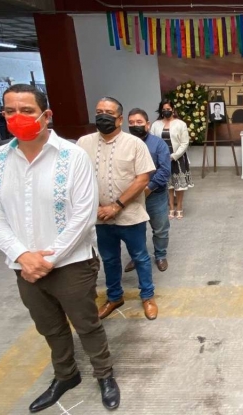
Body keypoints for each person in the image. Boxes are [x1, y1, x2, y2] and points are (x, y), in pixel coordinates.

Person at [0, 84, 120, 412]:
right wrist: (22, 256)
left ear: (46, 115)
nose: (18, 117)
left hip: (72, 264)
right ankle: (66, 375)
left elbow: (83, 215)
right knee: (50, 327)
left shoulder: (72, 157)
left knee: (87, 324)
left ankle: (104, 374)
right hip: (24, 268)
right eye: (10, 111)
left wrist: (50, 257)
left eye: (27, 111)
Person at [77, 97, 158, 321]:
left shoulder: (134, 144)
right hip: (100, 217)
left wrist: (116, 206)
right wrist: (92, 208)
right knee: (110, 259)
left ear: (120, 119)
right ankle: (114, 297)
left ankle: (148, 296)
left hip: (130, 215)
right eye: (99, 111)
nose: (103, 116)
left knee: (140, 257)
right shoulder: (83, 144)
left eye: (109, 113)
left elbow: (142, 179)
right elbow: (77, 179)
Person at [124, 108, 172, 273]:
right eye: (131, 123)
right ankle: (137, 257)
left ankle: (160, 255)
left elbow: (165, 171)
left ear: (148, 124)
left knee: (160, 228)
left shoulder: (159, 144)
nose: (135, 125)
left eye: (139, 122)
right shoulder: (124, 144)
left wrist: (148, 188)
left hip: (155, 195)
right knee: (135, 229)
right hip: (130, 196)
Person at [149, 99, 194, 220]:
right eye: (164, 110)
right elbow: (152, 141)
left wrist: (174, 156)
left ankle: (179, 207)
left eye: (168, 109)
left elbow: (185, 143)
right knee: (168, 185)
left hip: (178, 158)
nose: (166, 111)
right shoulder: (155, 124)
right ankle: (171, 208)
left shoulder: (180, 124)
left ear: (173, 110)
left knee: (179, 185)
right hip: (162, 159)